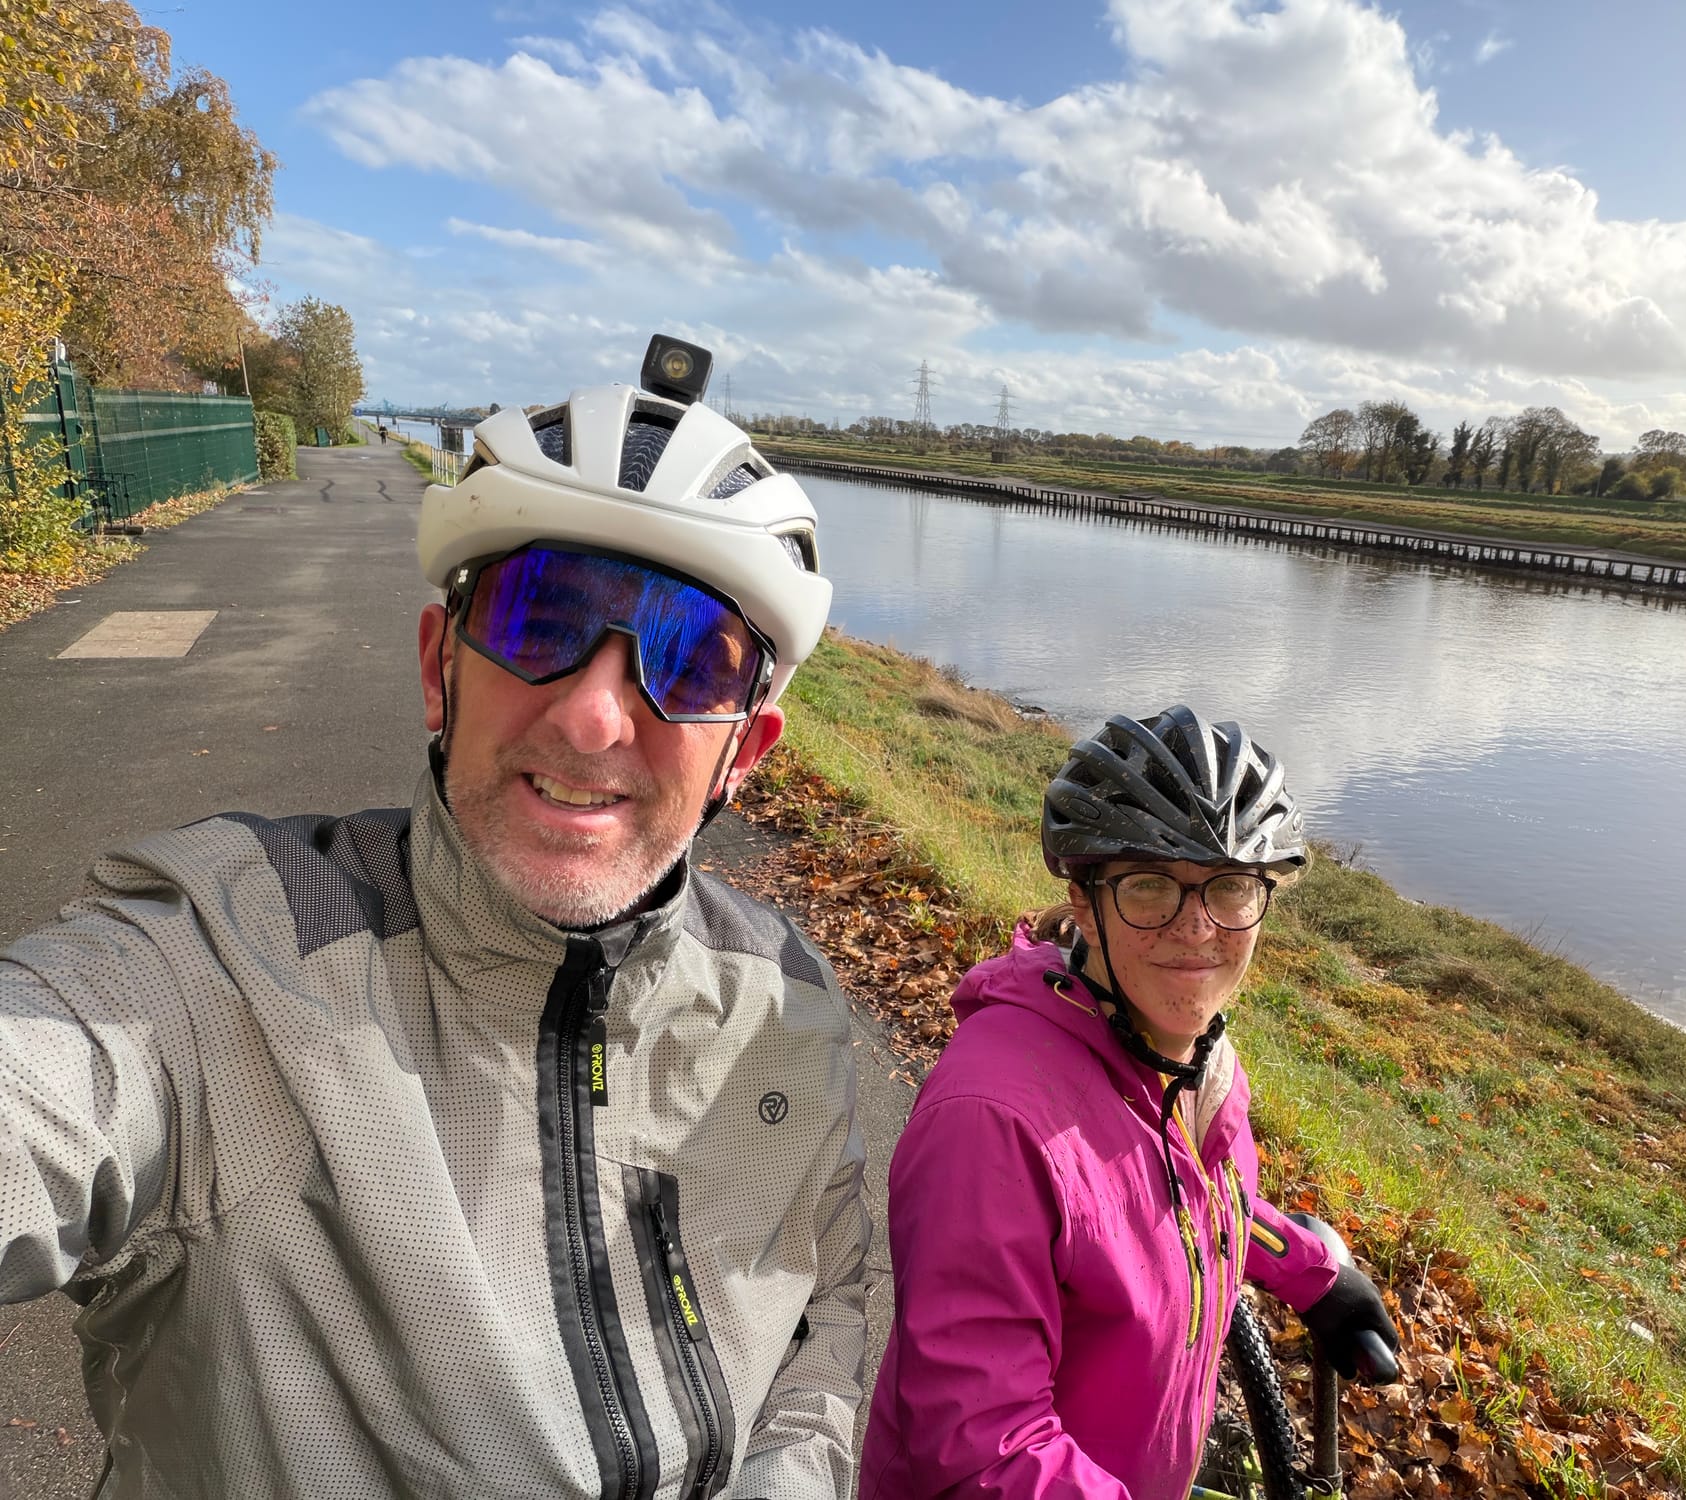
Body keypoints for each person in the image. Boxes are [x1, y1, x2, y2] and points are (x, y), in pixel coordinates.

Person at [0, 350, 869, 1498]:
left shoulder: (783, 1002)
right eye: (536, 617)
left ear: (740, 756)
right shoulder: (217, 971)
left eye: (685, 658)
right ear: (435, 671)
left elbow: (832, 1308)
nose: (596, 715)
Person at [861, 707, 1401, 1499]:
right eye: (1150, 887)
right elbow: (983, 1450)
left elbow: (1178, 1199)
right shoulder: (991, 1121)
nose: (1197, 929)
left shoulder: (1196, 1059)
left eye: (1229, 887)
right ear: (1084, 901)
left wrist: (1308, 1270)